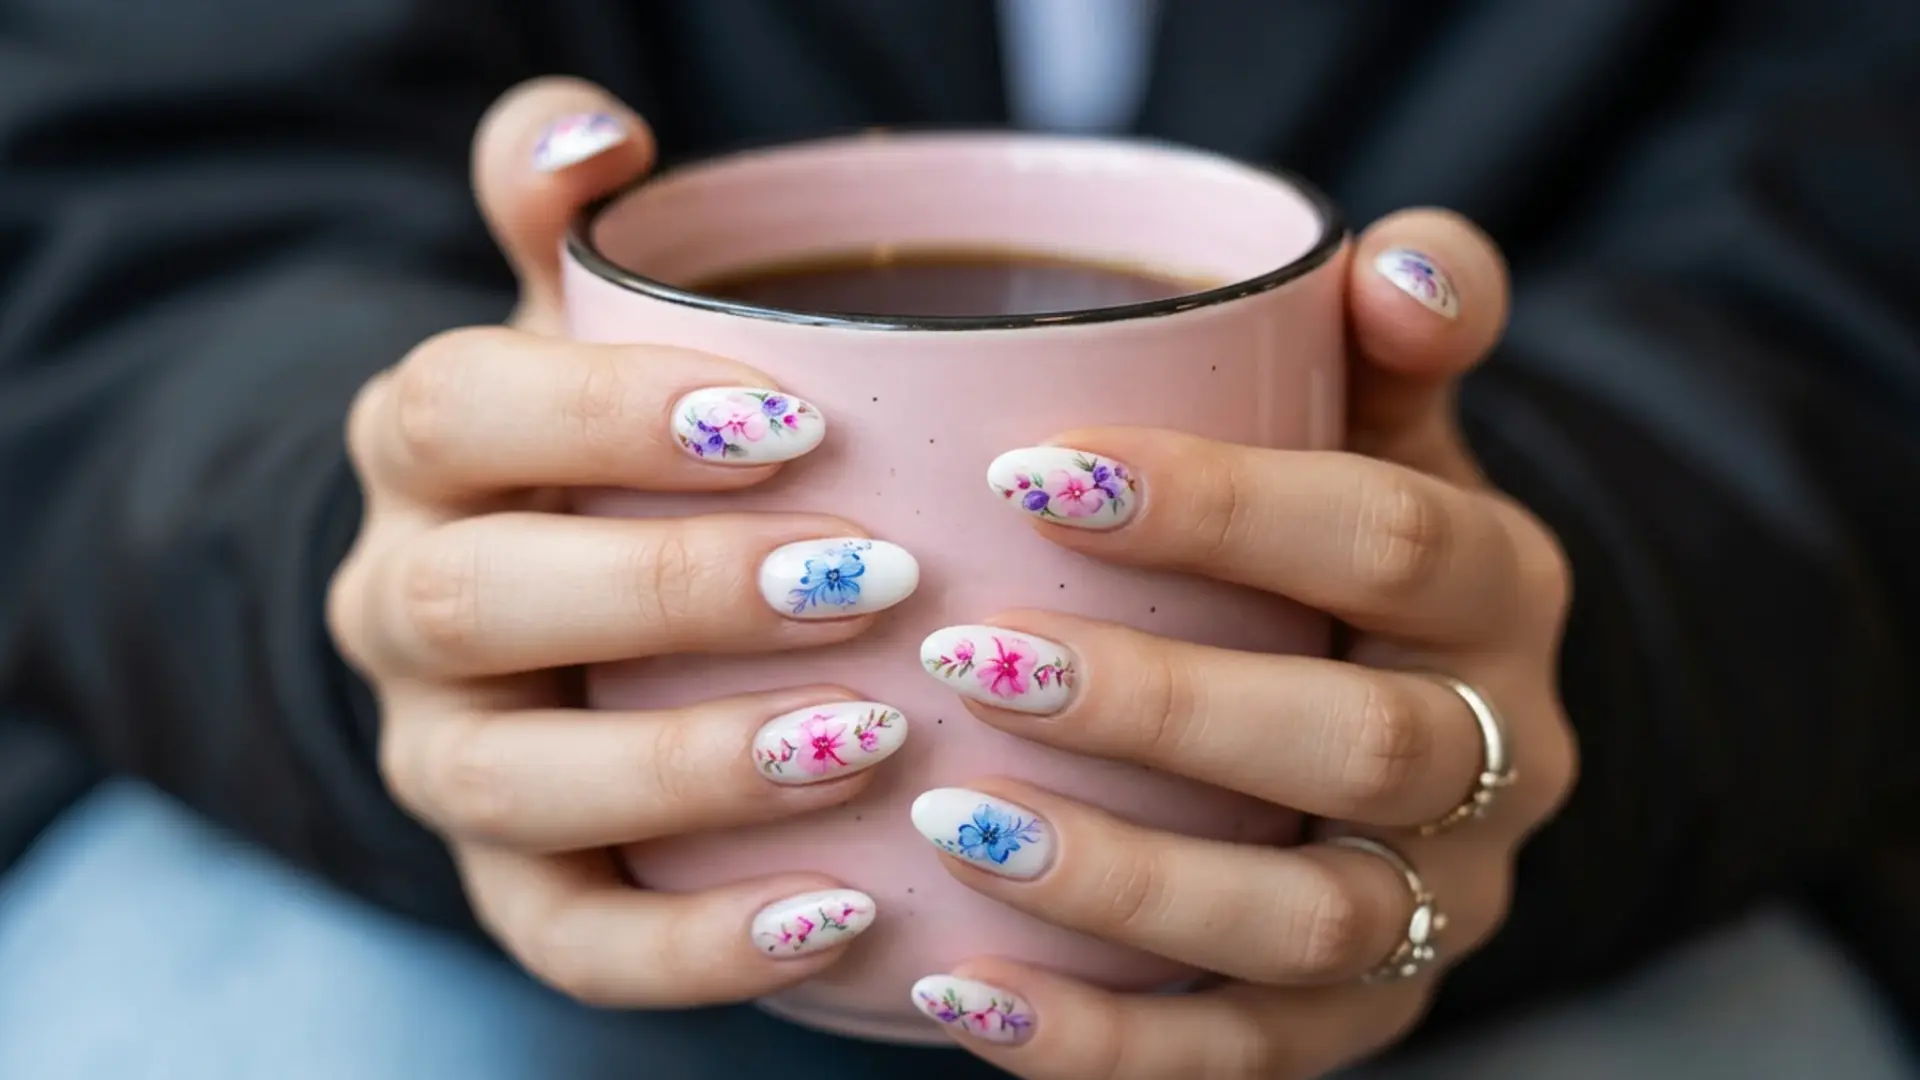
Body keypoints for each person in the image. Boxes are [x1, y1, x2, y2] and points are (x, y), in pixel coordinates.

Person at [0, 1, 1916, 1077]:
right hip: (390, 851)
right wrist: (403, 589)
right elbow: (125, 240)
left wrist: (1523, 643)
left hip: (1561, 866)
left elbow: (1854, 313)